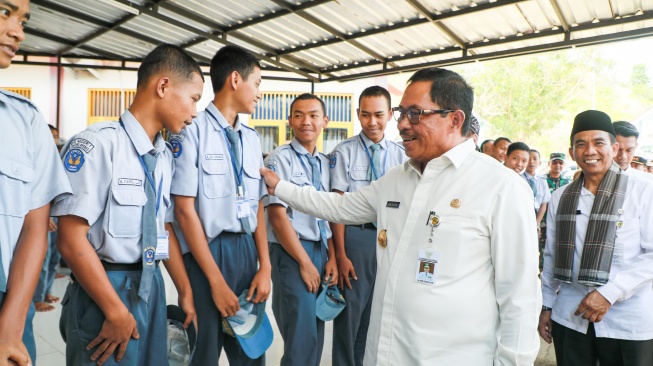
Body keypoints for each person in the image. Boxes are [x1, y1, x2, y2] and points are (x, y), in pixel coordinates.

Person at [260, 67, 541, 365]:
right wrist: (282, 187)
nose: (403, 124)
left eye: (416, 113)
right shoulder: (397, 179)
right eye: (401, 112)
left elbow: (519, 297)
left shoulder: (501, 187)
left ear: (455, 119)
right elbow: (339, 207)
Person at [53, 44, 202, 366]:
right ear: (163, 86)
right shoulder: (98, 144)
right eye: (193, 99)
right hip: (104, 289)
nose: (194, 113)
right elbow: (70, 238)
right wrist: (115, 310)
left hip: (150, 287)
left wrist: (184, 291)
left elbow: (162, 228)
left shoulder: (161, 156)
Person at [170, 44, 271, 366]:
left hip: (247, 252)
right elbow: (184, 211)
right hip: (207, 255)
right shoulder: (192, 131)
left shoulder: (252, 139)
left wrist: (265, 267)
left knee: (251, 351)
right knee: (205, 352)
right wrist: (215, 282)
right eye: (257, 84)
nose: (259, 94)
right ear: (236, 80)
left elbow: (256, 205)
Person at [539, 110, 653, 366]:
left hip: (627, 320)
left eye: (598, 143)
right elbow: (551, 256)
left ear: (613, 148)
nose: (590, 151)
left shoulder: (643, 190)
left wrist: (610, 293)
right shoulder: (561, 197)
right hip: (571, 315)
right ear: (572, 153)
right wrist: (546, 306)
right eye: (581, 144)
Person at [1, 1, 72, 364]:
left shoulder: (25, 122)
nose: (18, 32)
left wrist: (10, 331)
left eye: (22, 20)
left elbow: (34, 227)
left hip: (8, 305)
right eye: (4, 12)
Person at [328, 86, 407, 366]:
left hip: (391, 241)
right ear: (358, 114)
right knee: (350, 317)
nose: (372, 122)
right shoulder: (344, 153)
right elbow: (336, 209)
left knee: (378, 317)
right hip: (357, 241)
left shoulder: (402, 156)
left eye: (378, 115)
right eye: (365, 115)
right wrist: (340, 255)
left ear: (390, 115)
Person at [263, 93, 338, 366]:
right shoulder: (279, 159)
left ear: (325, 121)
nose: (306, 121)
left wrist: (331, 256)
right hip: (293, 252)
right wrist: (305, 263)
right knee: (301, 337)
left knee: (315, 335)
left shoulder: (326, 162)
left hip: (320, 247)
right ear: (290, 121)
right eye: (298, 115)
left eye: (313, 115)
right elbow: (277, 216)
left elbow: (330, 210)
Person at [33, 124, 65, 313]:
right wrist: (43, 217)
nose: (55, 139)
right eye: (51, 135)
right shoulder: (37, 158)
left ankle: (46, 292)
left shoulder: (58, 156)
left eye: (56, 136)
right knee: (42, 259)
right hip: (42, 216)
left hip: (57, 214)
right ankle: (36, 298)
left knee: (54, 256)